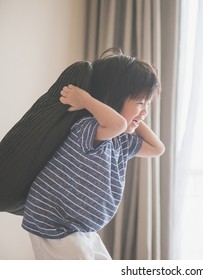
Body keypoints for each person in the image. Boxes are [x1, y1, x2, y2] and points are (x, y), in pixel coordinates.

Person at [21, 50, 165, 260]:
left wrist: (135, 115)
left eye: (148, 104)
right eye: (141, 102)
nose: (145, 112)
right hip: (53, 225)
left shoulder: (121, 141)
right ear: (111, 97)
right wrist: (87, 100)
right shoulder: (88, 128)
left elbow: (157, 148)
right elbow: (117, 123)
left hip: (81, 228)